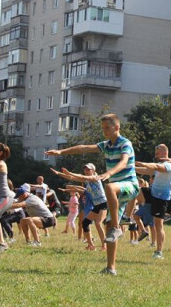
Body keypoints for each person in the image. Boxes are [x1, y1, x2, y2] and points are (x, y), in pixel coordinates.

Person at [46, 114, 139, 275]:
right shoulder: (106, 145)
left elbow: (124, 162)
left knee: (109, 188)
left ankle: (118, 226)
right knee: (108, 226)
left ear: (116, 127)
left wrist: (109, 173)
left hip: (129, 185)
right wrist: (61, 153)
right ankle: (111, 268)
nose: (104, 132)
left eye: (107, 128)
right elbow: (83, 148)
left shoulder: (125, 144)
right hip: (116, 189)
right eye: (102, 129)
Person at [51, 164, 108, 252]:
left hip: (103, 204)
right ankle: (91, 245)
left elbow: (79, 176)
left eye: (88, 170)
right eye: (85, 170)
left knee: (98, 223)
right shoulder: (87, 181)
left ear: (93, 170)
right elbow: (72, 178)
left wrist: (70, 172)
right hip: (97, 205)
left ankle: (104, 246)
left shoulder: (96, 177)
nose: (86, 171)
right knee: (85, 223)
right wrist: (59, 173)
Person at [135, 144, 171, 259]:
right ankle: (127, 216)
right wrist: (132, 168)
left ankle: (159, 251)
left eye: (157, 153)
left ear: (164, 152)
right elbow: (149, 170)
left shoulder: (169, 165)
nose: (155, 155)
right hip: (153, 193)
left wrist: (143, 163)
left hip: (161, 198)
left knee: (158, 224)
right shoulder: (161, 164)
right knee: (136, 190)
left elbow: (157, 167)